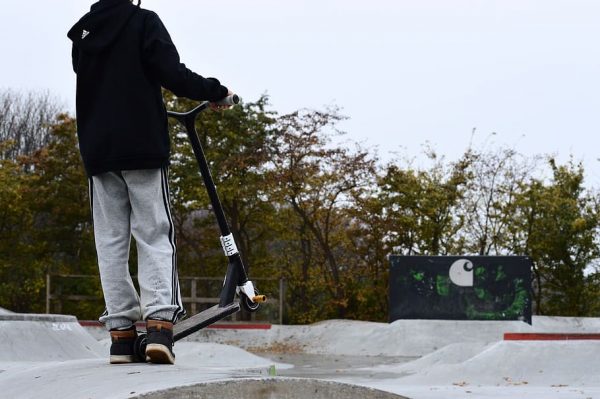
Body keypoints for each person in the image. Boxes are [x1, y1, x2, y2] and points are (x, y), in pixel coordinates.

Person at [67, 0, 231, 365]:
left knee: (109, 240)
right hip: (141, 146)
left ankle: (121, 336)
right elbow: (172, 74)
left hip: (98, 151)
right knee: (154, 231)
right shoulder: (143, 22)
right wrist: (216, 91)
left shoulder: (83, 34)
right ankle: (159, 325)